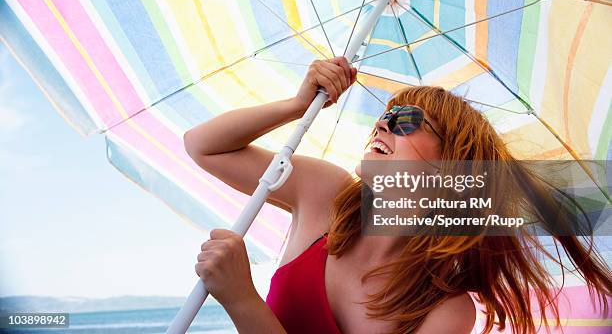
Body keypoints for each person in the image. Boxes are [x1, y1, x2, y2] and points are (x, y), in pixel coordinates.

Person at [183, 57, 611, 333]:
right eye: (385, 116)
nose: (383, 125)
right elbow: (203, 145)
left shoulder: (445, 311)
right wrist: (297, 106)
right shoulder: (325, 193)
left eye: (406, 121)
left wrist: (242, 300)